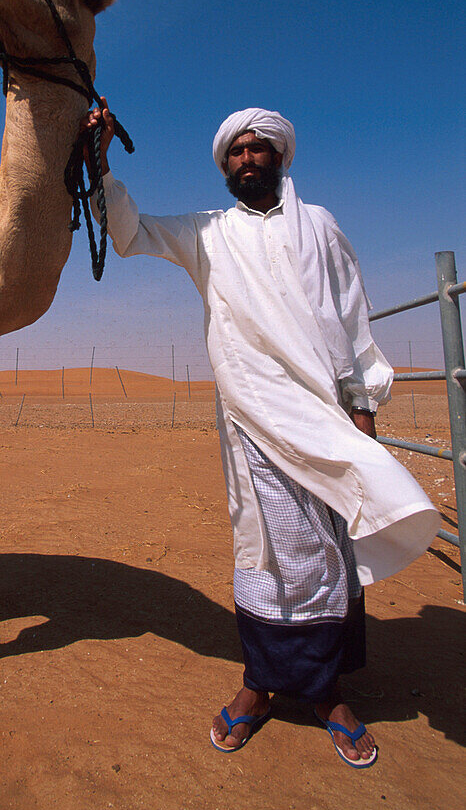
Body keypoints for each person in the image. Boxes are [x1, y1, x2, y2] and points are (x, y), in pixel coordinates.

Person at [83, 104, 439, 769]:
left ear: (280, 157)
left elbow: (352, 316)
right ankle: (260, 684)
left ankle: (327, 691)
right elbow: (131, 233)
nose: (247, 159)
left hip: (326, 420)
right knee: (267, 549)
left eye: (258, 149)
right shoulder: (208, 234)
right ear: (225, 167)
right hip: (255, 425)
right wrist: (100, 160)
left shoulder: (322, 230)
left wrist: (363, 410)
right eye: (236, 153)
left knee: (330, 553)